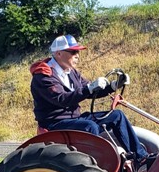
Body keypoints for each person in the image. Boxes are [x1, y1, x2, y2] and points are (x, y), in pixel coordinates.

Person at [30, 34, 147, 163]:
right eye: (73, 52)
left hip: (73, 120)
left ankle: (141, 158)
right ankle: (100, 166)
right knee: (89, 126)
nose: (77, 55)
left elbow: (89, 91)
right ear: (58, 54)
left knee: (117, 115)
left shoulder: (71, 71)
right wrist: (89, 88)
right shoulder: (44, 76)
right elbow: (62, 99)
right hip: (54, 124)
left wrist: (113, 86)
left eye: (78, 52)